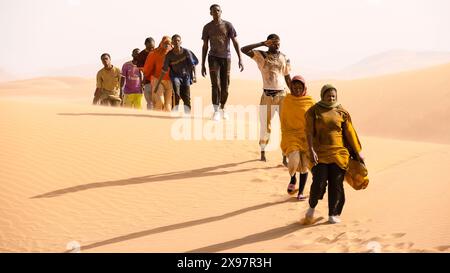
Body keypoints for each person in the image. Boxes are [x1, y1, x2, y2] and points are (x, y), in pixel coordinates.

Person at [303, 84, 365, 224]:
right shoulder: (314, 111)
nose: (331, 98)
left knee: (336, 184)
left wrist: (358, 152)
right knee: (319, 182)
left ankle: (333, 213)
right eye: (328, 95)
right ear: (322, 96)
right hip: (320, 153)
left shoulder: (342, 112)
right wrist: (311, 150)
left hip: (339, 153)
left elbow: (350, 133)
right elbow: (308, 132)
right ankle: (312, 207)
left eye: (333, 96)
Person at [241, 34, 291, 162]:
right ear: (269, 43)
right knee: (265, 126)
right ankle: (263, 153)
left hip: (282, 96)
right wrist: (262, 43)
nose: (276, 45)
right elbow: (244, 49)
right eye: (273, 42)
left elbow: (287, 77)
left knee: (285, 126)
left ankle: (284, 156)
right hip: (267, 96)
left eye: (278, 42)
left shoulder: (284, 57)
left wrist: (295, 94)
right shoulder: (261, 55)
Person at [201, 4, 244, 121]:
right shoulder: (207, 27)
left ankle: (223, 107)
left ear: (221, 12)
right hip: (213, 57)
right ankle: (216, 111)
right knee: (215, 84)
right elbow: (205, 46)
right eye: (213, 11)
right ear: (210, 13)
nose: (216, 12)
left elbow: (235, 42)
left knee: (225, 87)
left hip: (226, 58)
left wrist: (240, 58)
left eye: (218, 10)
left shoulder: (228, 25)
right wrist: (203, 64)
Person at [280, 75, 315, 200]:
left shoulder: (310, 101)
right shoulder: (287, 100)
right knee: (294, 160)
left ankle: (300, 193)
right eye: (295, 87)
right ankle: (293, 177)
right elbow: (283, 120)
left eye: (300, 87)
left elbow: (315, 118)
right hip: (290, 135)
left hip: (306, 137)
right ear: (291, 87)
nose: (297, 89)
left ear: (304, 87)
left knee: (304, 166)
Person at [154, 34, 198, 114]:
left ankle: (187, 114)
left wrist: (195, 76)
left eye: (178, 40)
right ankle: (175, 112)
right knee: (176, 95)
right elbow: (164, 70)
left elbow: (192, 65)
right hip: (175, 77)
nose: (176, 42)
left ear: (181, 42)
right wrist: (157, 85)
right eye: (174, 41)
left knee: (186, 97)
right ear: (172, 44)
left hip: (186, 77)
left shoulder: (186, 52)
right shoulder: (169, 55)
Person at [143, 36, 174, 111]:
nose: (167, 45)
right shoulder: (154, 53)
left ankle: (164, 120)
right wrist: (146, 76)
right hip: (157, 80)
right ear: (161, 43)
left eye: (168, 43)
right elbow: (147, 67)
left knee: (168, 105)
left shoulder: (174, 53)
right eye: (165, 43)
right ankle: (155, 118)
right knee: (160, 102)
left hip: (170, 81)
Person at [137, 37, 155, 110]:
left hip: (158, 81)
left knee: (158, 101)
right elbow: (140, 68)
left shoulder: (157, 52)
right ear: (145, 45)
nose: (151, 49)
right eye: (150, 47)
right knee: (149, 102)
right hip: (147, 81)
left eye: (153, 47)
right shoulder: (141, 55)